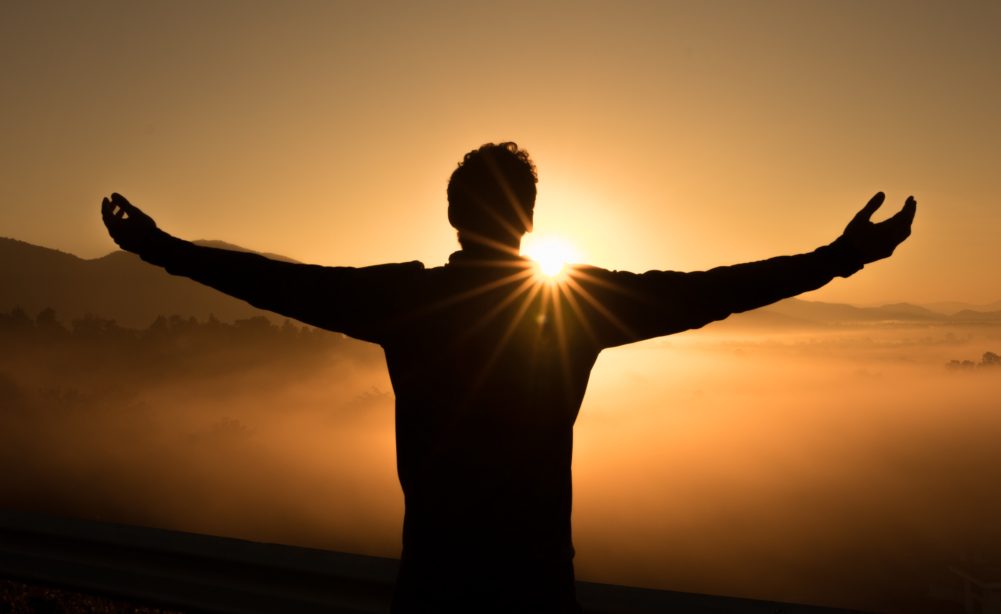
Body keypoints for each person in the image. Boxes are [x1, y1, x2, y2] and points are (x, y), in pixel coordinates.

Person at [101, 142, 915, 613]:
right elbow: (712, 291)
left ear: (455, 216)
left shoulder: (408, 300)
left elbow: (280, 282)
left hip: (434, 586)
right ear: (528, 219)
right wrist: (839, 259)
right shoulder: (577, 307)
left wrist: (160, 249)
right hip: (534, 590)